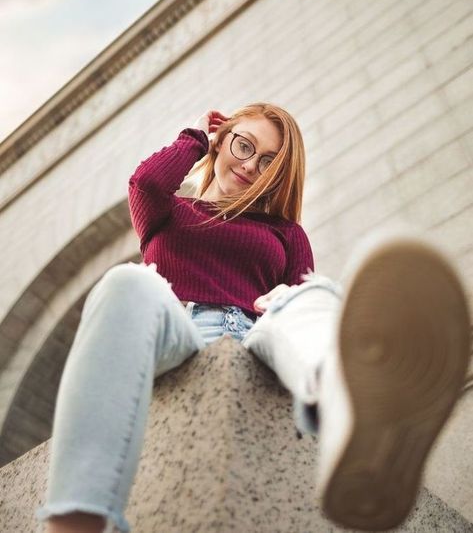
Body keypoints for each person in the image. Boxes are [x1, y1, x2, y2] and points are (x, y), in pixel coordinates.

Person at [36, 102, 470, 533]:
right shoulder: (168, 213)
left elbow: (302, 295)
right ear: (222, 141)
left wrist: (292, 296)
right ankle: (76, 521)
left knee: (311, 297)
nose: (249, 166)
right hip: (181, 332)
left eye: (268, 162)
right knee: (126, 283)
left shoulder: (285, 232)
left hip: (262, 334)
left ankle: (356, 422)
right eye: (244, 146)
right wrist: (195, 139)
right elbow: (145, 182)